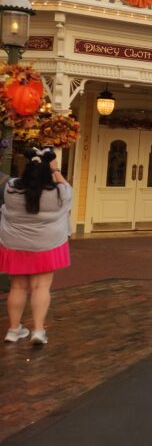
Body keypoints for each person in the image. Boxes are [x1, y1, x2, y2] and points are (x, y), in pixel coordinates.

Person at [1, 148, 72, 345]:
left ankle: (14, 330)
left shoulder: (12, 188)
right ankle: (38, 331)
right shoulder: (58, 193)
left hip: (15, 244)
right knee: (41, 286)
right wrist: (55, 170)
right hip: (46, 245)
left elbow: (14, 184)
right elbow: (68, 190)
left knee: (17, 287)